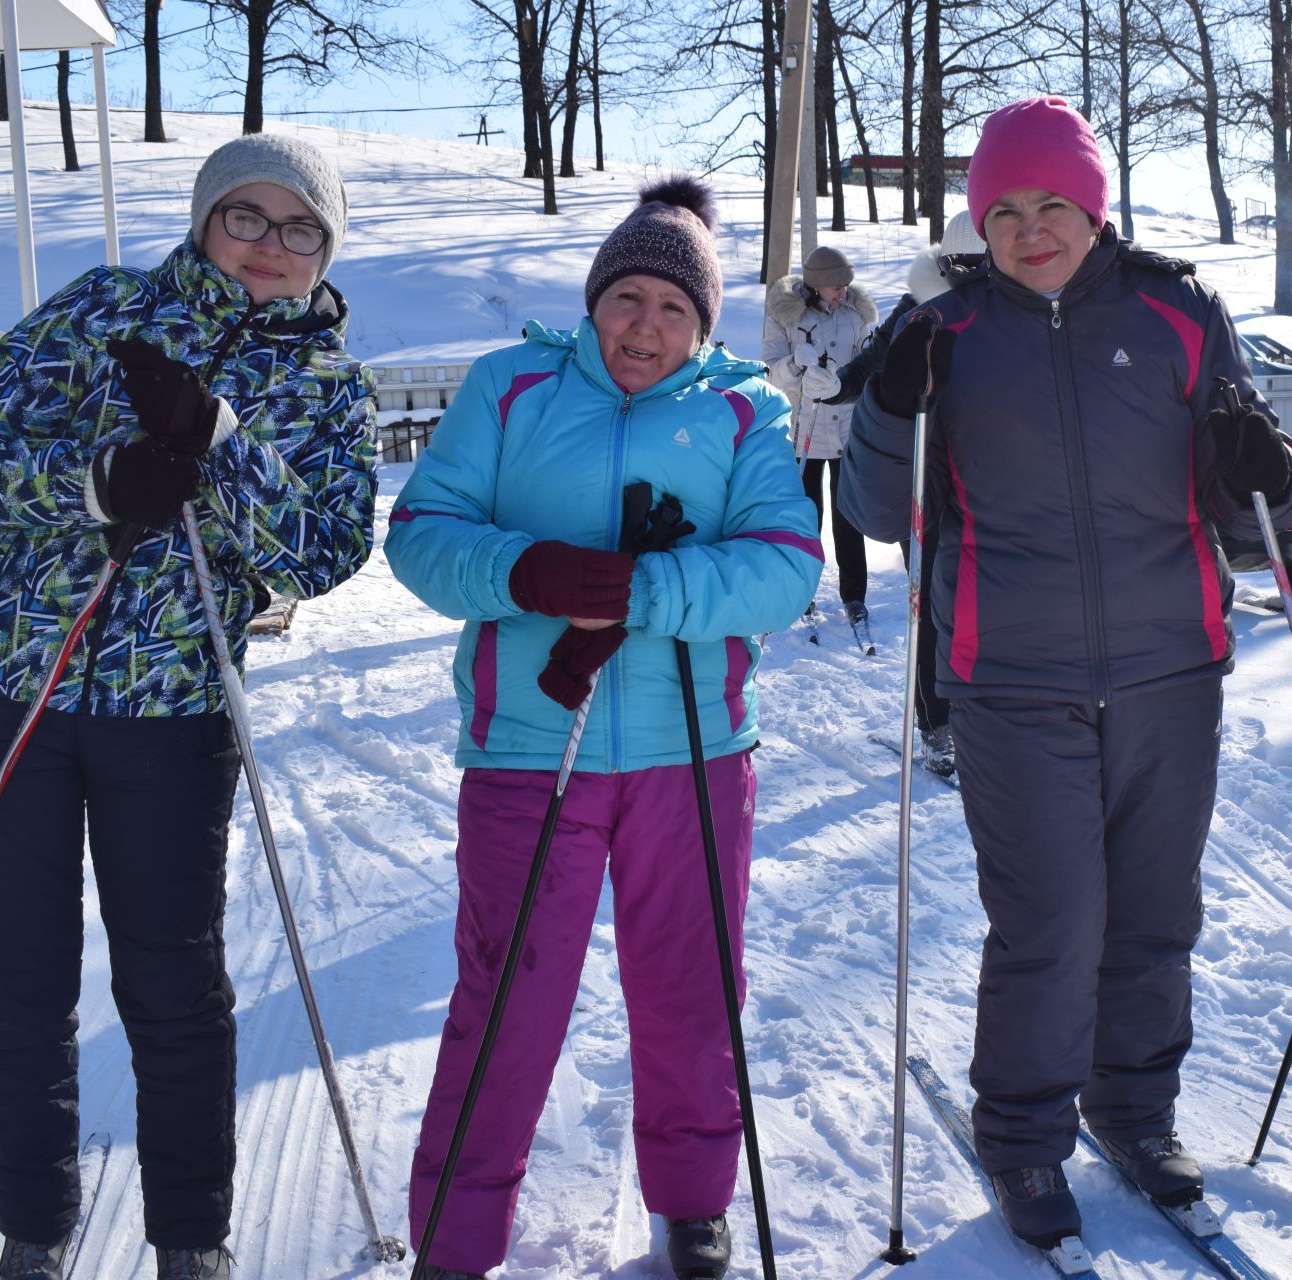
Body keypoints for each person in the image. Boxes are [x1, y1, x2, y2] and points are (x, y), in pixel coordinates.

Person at [839, 96, 1292, 1250]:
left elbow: (1257, 512)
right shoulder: (946, 334)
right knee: (1050, 916)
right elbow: (871, 509)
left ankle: (1136, 1110)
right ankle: (1025, 1133)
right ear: (977, 222)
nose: (1030, 228)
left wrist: (1270, 470)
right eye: (1004, 209)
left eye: (1053, 203)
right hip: (1010, 677)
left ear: (1094, 206)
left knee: (1155, 912)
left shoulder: (1178, 310)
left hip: (1171, 667)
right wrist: (889, 403)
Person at [0, 133, 377, 1280]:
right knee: (12, 973)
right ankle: (33, 1220)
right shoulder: (101, 306)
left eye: (300, 229)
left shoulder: (327, 386)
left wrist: (223, 448)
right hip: (1, 680)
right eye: (247, 218)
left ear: (326, 249)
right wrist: (96, 481)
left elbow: (324, 550)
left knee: (173, 979)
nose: (270, 247)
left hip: (170, 707)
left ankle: (191, 1235)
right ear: (203, 218)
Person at [386, 178, 820, 1280]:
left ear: (703, 323)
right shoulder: (511, 386)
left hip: (696, 746)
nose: (647, 326)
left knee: (689, 981)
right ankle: (457, 1230)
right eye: (627, 297)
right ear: (593, 301)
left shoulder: (743, 409)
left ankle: (692, 1195)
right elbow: (424, 533)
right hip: (532, 746)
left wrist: (644, 592)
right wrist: (527, 568)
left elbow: (784, 567)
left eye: (675, 310)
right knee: (508, 991)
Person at [827, 211, 986, 776]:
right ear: (942, 262)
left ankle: (984, 718)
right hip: (929, 481)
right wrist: (844, 385)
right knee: (935, 608)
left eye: (981, 265)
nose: (969, 276)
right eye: (958, 265)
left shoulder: (1015, 311)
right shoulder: (918, 310)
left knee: (990, 609)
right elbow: (875, 362)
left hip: (997, 486)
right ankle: (936, 724)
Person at [762, 245, 878, 626]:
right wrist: (796, 363)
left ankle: (854, 596)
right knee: (805, 517)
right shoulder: (785, 313)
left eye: (846, 286)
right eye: (835, 288)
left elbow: (869, 362)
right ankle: (802, 591)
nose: (843, 292)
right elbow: (771, 372)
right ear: (816, 286)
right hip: (802, 432)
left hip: (847, 431)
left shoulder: (857, 313)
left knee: (849, 518)